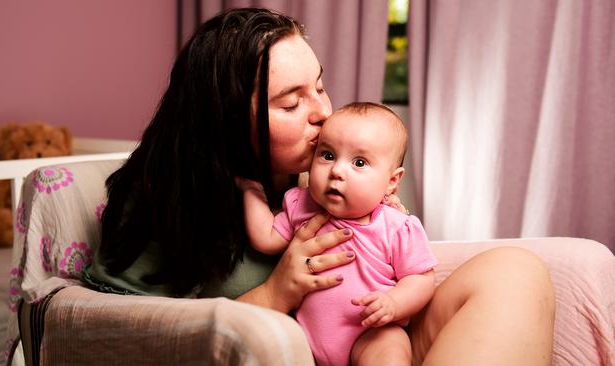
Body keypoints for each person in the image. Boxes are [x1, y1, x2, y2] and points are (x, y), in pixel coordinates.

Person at [84, 7, 555, 365]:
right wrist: (276, 293)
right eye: (291, 104)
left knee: (515, 271)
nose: (323, 113)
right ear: (224, 122)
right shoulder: (159, 207)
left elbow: (392, 261)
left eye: (320, 87)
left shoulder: (309, 179)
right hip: (295, 349)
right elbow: (121, 337)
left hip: (372, 337)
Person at [239, 102, 437, 365]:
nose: (336, 171)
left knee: (390, 350)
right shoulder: (302, 205)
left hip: (370, 332)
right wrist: (251, 190)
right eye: (328, 155)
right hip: (307, 337)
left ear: (391, 181)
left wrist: (394, 303)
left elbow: (421, 278)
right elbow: (266, 237)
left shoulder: (396, 225)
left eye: (359, 162)